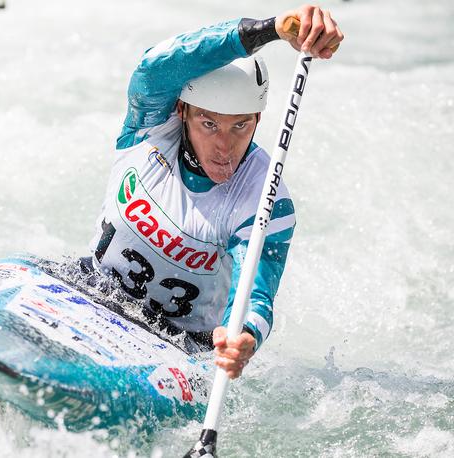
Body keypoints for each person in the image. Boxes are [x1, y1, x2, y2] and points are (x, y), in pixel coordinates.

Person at [88, 5, 343, 379]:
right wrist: (270, 30)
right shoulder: (150, 127)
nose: (225, 147)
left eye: (240, 126)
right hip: (88, 291)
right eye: (210, 124)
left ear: (257, 120)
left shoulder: (265, 198)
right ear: (183, 112)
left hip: (178, 346)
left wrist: (244, 337)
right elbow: (157, 65)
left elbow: (254, 296)